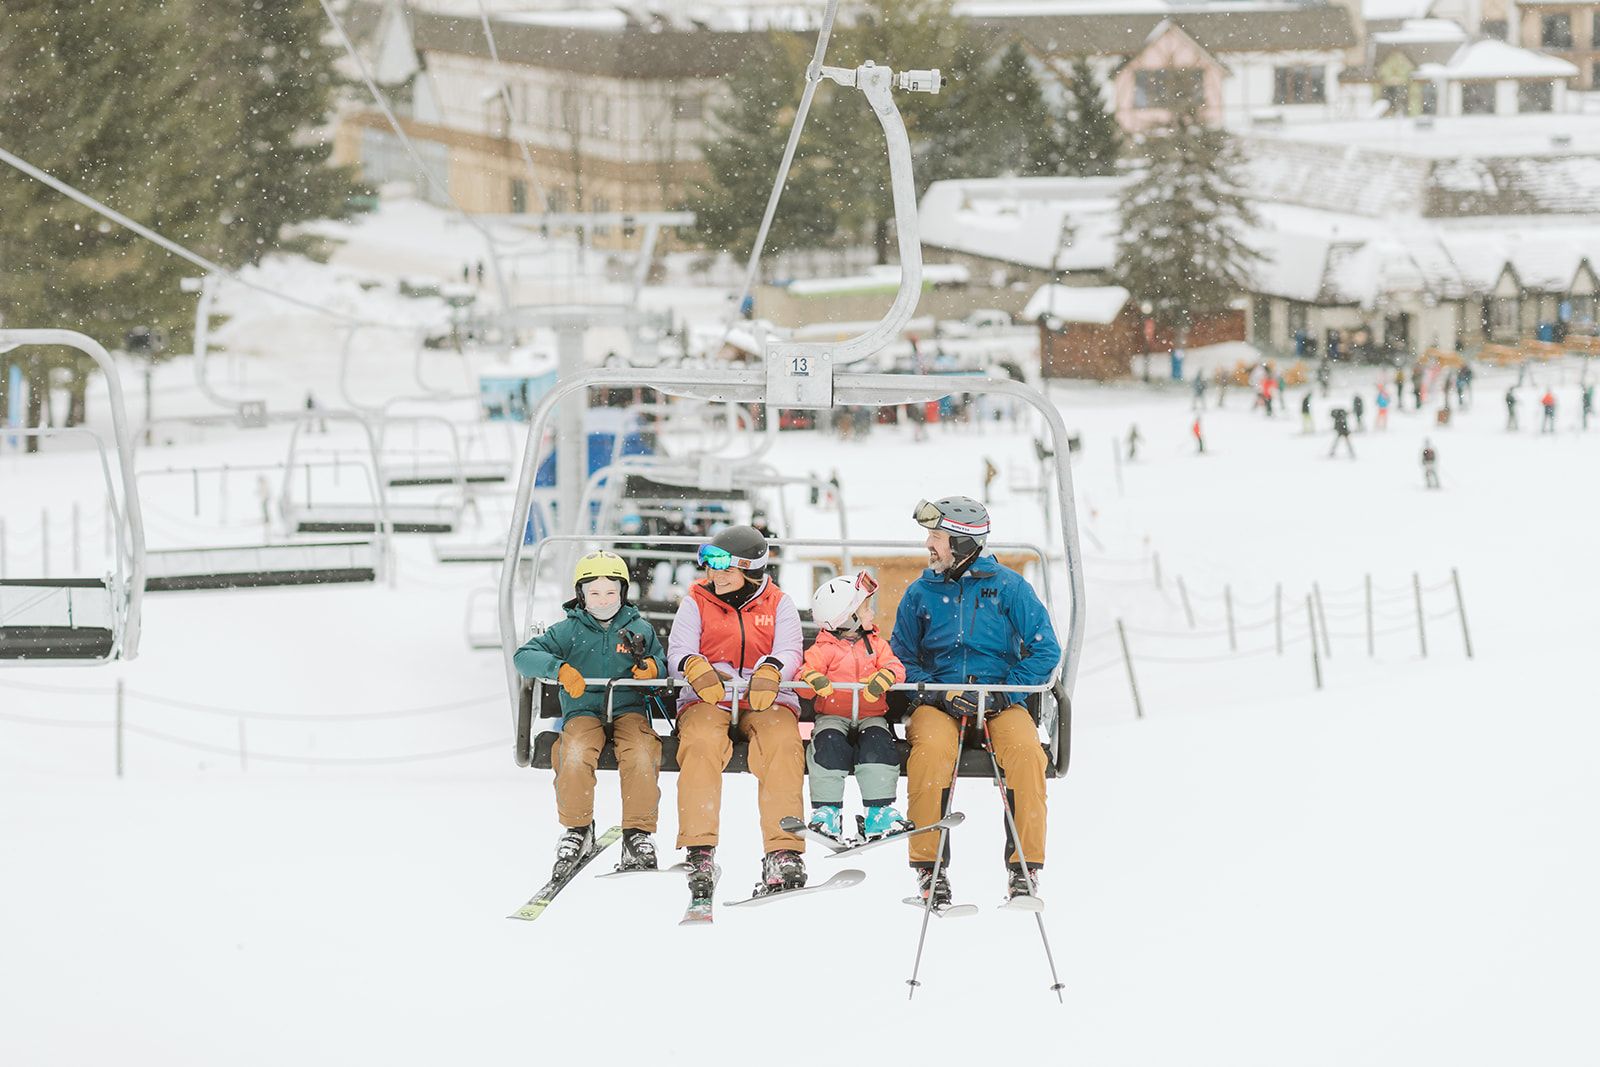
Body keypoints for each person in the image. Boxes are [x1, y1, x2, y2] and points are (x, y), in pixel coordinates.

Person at [891, 497, 1061, 905]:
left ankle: (1025, 867)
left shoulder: (1008, 587)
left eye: (936, 537)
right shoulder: (921, 593)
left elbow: (1045, 651)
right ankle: (929, 868)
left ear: (964, 543)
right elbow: (900, 658)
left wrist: (1004, 693)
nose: (928, 545)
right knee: (931, 751)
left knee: (1025, 753)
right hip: (938, 702)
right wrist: (937, 692)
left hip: (999, 699)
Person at [668, 525, 807, 898]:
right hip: (709, 696)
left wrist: (772, 669)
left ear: (751, 569)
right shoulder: (695, 600)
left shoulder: (779, 603)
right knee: (699, 743)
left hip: (764, 699)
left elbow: (791, 649)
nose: (715, 575)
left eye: (726, 568)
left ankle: (783, 850)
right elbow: (678, 649)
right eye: (711, 566)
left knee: (782, 744)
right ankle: (700, 850)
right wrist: (695, 668)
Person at [513, 551, 666, 877]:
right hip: (583, 708)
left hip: (629, 709)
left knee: (641, 751)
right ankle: (577, 827)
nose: (603, 600)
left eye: (611, 593)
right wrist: (558, 669)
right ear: (581, 595)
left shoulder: (638, 628)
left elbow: (662, 662)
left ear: (622, 593)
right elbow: (524, 656)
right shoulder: (569, 631)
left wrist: (652, 668)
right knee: (575, 751)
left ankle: (637, 832)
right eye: (594, 593)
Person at [798, 572, 909, 842]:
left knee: (878, 746)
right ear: (848, 616)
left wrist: (885, 677)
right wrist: (814, 680)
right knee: (827, 745)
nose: (872, 613)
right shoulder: (823, 649)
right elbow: (803, 676)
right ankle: (827, 812)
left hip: (872, 716)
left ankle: (879, 811)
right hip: (833, 715)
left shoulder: (877, 645)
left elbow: (896, 667)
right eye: (866, 608)